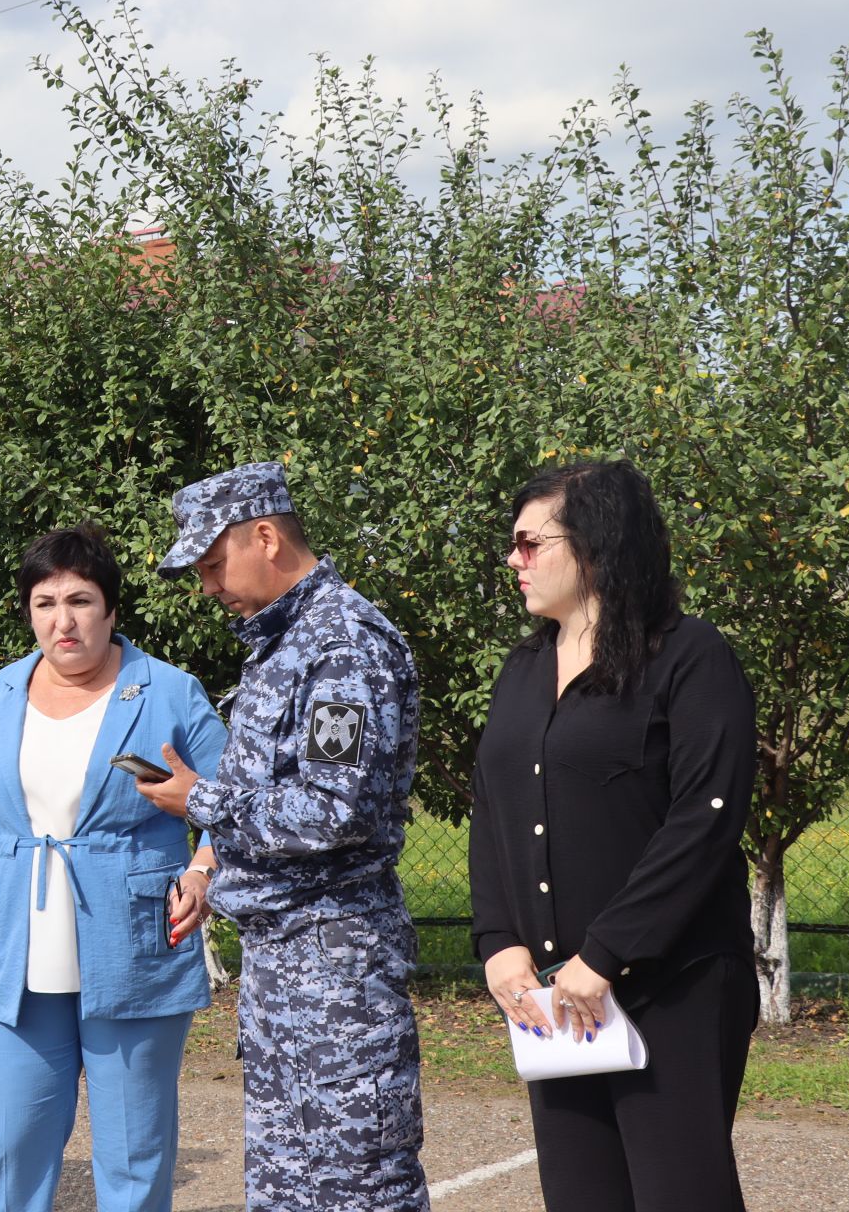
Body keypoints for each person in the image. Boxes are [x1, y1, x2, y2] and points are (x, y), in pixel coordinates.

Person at [136, 461, 430, 1211]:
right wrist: (211, 861)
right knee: (288, 1192)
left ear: (264, 536)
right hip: (284, 966)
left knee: (359, 1188)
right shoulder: (280, 642)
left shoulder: (343, 644)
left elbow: (336, 811)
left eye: (211, 563)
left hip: (337, 976)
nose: (207, 586)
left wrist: (199, 803)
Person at [469, 460, 758, 1211]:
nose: (514, 561)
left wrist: (607, 953)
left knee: (679, 1194)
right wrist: (498, 941)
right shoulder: (523, 668)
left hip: (673, 984)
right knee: (580, 1195)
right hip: (554, 997)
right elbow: (492, 809)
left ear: (595, 545)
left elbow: (707, 818)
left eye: (531, 543)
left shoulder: (691, 658)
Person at [0, 525, 227, 1211]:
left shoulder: (169, 692)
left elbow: (231, 802)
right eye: (45, 602)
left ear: (112, 611)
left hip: (134, 950)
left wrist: (204, 869)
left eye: (81, 601)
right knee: (9, 1138)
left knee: (132, 1153)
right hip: (18, 959)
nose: (63, 621)